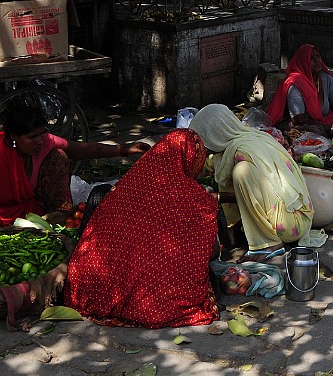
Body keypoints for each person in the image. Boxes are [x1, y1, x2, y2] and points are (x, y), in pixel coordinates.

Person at [64, 129, 219, 328]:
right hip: (152, 304)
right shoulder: (195, 199)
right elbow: (212, 253)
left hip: (91, 290)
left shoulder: (127, 185)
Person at [190, 104, 314, 259]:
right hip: (291, 216)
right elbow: (206, 166)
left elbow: (252, 192)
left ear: (215, 135)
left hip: (291, 223)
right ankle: (252, 235)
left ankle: (269, 244)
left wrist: (219, 197)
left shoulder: (242, 152)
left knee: (242, 172)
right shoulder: (245, 139)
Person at [0, 105, 148, 226]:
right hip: (3, 214)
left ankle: (57, 215)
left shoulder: (45, 141)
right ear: (13, 136)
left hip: (33, 210)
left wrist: (124, 150)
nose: (39, 141)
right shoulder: (2, 152)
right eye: (32, 137)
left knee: (58, 156)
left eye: (41, 134)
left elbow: (81, 150)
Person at [266, 45, 333, 133]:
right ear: (303, 62)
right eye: (311, 58)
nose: (316, 60)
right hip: (304, 124)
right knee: (316, 131)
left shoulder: (327, 78)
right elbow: (299, 119)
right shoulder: (296, 84)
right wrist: (328, 128)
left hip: (324, 120)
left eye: (318, 56)